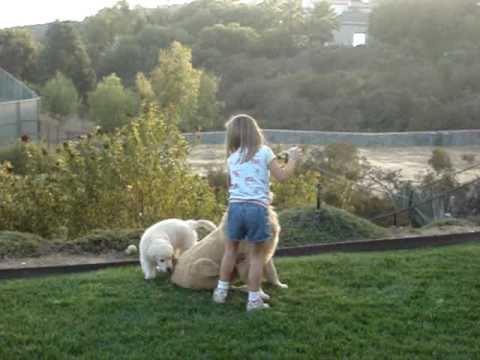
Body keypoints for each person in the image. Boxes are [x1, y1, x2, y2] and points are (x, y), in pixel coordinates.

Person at [212, 114, 302, 311]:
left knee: (230, 251)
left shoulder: (232, 157)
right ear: (255, 132)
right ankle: (254, 301)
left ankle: (220, 291)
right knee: (256, 255)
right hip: (256, 209)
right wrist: (293, 159)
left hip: (235, 208)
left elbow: (232, 185)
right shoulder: (265, 152)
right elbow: (282, 176)